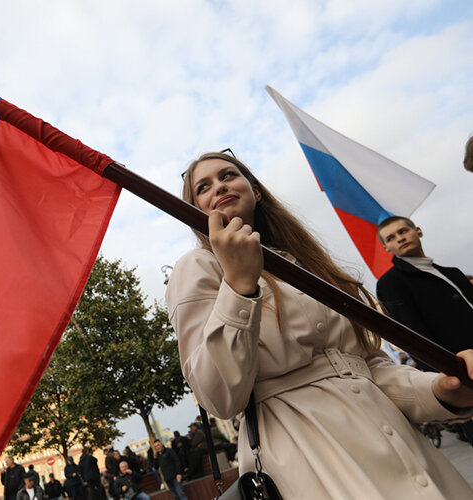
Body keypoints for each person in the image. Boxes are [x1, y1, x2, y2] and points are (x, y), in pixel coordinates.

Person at [165, 150, 473, 499]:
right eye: (202, 187)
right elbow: (218, 394)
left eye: (228, 175)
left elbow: (368, 368)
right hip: (307, 455)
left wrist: (441, 390)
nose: (219, 186)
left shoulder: (306, 260)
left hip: (400, 445)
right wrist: (238, 285)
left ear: (256, 189)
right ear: (195, 211)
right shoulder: (197, 267)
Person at [376, 216, 473, 368]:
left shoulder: (453, 273)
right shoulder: (390, 283)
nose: (400, 239)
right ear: (386, 248)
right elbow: (414, 339)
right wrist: (447, 374)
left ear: (418, 231)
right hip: (464, 367)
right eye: (391, 238)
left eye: (403, 231)